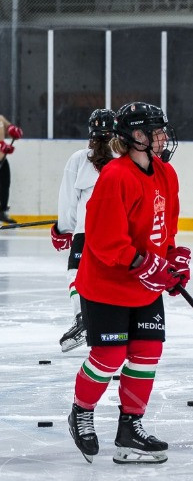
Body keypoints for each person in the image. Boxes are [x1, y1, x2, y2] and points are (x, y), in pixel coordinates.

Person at [67, 102, 189, 465]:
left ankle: (129, 430)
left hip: (145, 285)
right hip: (107, 285)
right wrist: (146, 263)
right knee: (109, 356)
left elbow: (165, 227)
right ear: (136, 136)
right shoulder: (115, 176)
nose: (164, 137)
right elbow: (105, 242)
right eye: (157, 131)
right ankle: (82, 412)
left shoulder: (167, 174)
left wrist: (173, 257)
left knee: (147, 355)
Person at [52, 109, 117, 353]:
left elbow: (68, 199)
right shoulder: (124, 159)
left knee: (76, 274)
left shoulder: (79, 159)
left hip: (86, 230)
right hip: (115, 232)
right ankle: (111, 324)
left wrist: (63, 228)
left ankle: (83, 319)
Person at [0, 114, 20, 223]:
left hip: (2, 158)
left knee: (5, 184)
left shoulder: (1, 118)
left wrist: (13, 130)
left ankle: (2, 211)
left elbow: (9, 127)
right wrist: (2, 146)